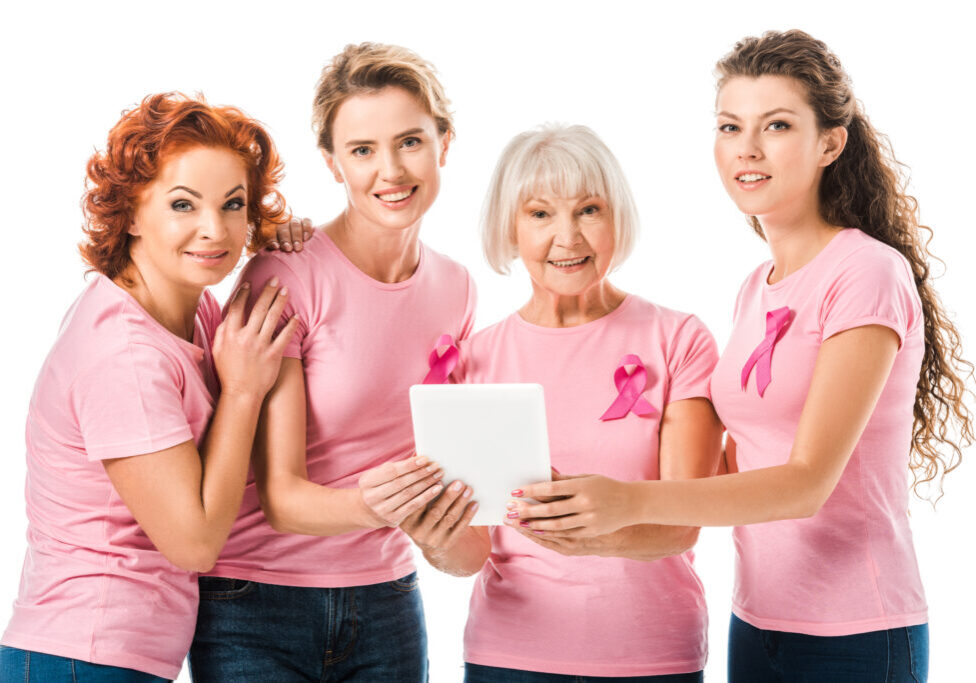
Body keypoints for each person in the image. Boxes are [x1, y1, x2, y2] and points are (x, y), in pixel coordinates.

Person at [510, 30, 974, 682]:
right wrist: (592, 520)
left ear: (830, 144)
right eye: (730, 126)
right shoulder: (756, 287)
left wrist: (630, 498)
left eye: (776, 125)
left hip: (858, 633)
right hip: (757, 624)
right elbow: (738, 467)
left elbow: (806, 481)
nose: (747, 149)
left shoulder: (866, 273)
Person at [189, 43, 475, 681]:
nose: (391, 171)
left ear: (444, 143)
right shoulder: (288, 273)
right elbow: (283, 499)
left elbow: (448, 449)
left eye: (410, 141)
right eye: (363, 150)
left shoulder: (457, 288)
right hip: (256, 603)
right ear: (333, 163)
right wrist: (384, 507)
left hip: (388, 598)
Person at [401, 124, 723, 682]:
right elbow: (469, 554)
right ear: (510, 228)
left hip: (651, 655)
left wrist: (582, 533)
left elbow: (683, 523)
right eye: (540, 214)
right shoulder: (472, 361)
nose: (568, 237)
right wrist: (433, 534)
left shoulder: (679, 339)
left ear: (616, 217)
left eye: (589, 210)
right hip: (510, 655)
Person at [0, 93, 296, 681]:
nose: (214, 230)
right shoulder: (123, 355)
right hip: (81, 656)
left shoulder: (194, 309)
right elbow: (193, 544)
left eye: (233, 204)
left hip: (119, 656)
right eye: (182, 204)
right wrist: (241, 393)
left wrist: (297, 244)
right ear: (132, 213)